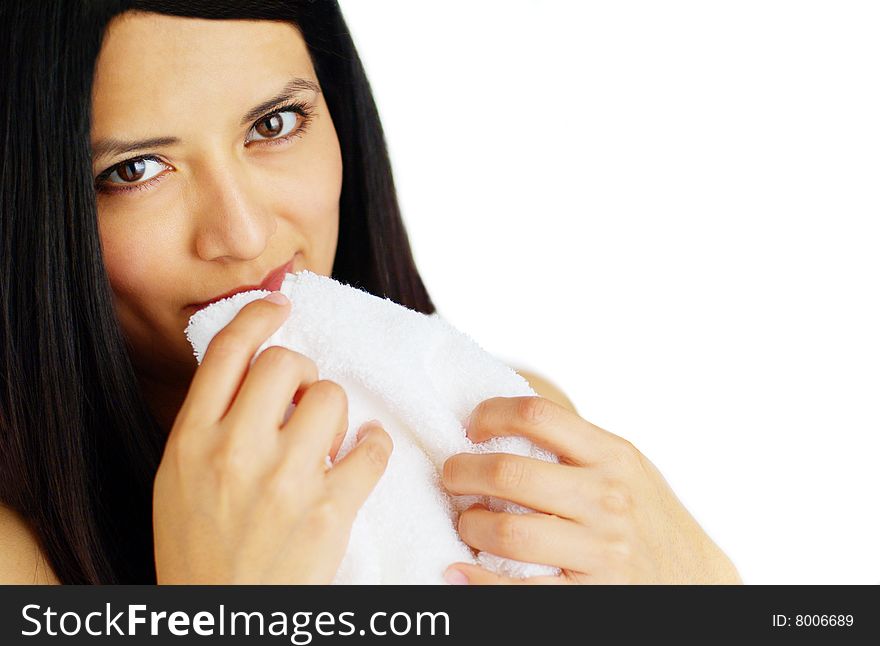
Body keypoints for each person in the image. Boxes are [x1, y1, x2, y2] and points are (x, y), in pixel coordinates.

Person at [0, 1, 740, 585]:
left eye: (275, 123)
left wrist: (707, 596)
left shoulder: (504, 432)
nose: (245, 232)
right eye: (136, 170)